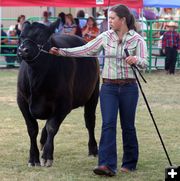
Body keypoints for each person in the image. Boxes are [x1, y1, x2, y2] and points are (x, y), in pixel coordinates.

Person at [49, 4, 148, 176]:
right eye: (108, 18)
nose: (109, 21)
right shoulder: (105, 37)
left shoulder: (137, 40)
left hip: (129, 87)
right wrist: (62, 52)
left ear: (122, 19)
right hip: (108, 87)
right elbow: (85, 50)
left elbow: (145, 63)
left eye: (112, 18)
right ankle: (106, 164)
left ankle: (130, 162)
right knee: (108, 124)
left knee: (128, 126)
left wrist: (136, 59)